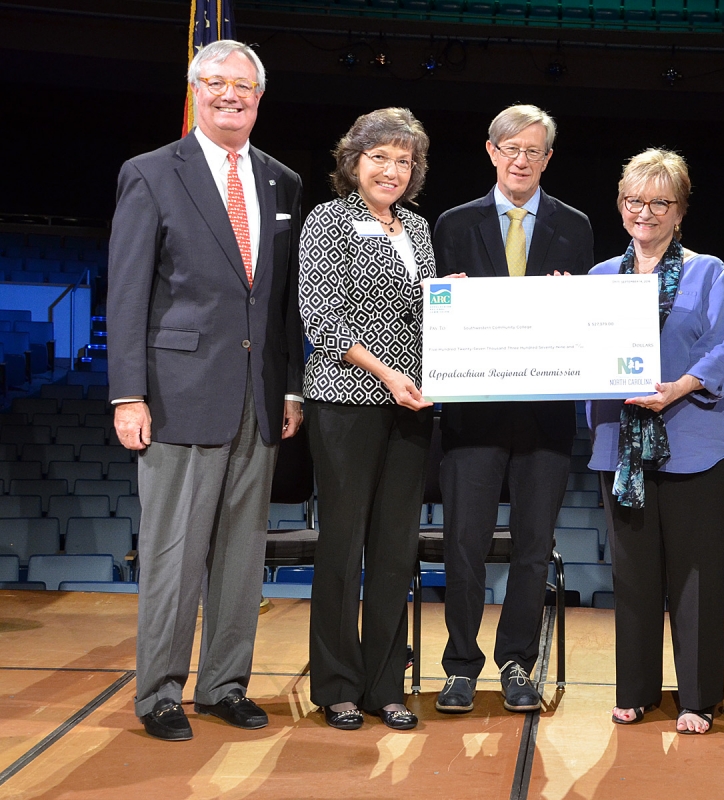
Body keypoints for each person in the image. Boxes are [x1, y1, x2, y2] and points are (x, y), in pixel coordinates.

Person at [107, 40, 304, 741]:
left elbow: (282, 303)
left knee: (242, 556)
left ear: (259, 96)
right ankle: (160, 693)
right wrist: (128, 394)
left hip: (258, 397)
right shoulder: (151, 172)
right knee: (173, 555)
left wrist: (291, 389)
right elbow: (127, 291)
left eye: (243, 85)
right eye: (216, 82)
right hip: (178, 395)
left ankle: (224, 685)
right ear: (196, 91)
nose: (230, 95)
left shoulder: (282, 181)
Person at [431, 104, 594, 714]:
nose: (521, 160)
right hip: (472, 414)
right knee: (463, 544)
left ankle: (517, 662)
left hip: (545, 417)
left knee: (532, 546)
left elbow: (583, 324)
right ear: (491, 152)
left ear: (548, 158)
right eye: (510, 148)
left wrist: (572, 302)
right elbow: (432, 313)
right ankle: (460, 666)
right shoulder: (453, 224)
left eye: (533, 151)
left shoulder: (575, 226)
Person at [587, 149, 724, 735]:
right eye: (634, 200)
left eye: (659, 202)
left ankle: (698, 697)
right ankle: (636, 691)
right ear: (620, 204)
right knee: (632, 575)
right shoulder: (599, 278)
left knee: (695, 576)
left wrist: (680, 387)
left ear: (679, 211)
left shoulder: (709, 272)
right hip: (619, 445)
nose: (644, 212)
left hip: (693, 439)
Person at [299, 108, 441, 731]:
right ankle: (336, 685)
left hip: (411, 407)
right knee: (342, 544)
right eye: (379, 157)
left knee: (394, 549)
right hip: (345, 401)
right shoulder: (326, 221)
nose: (392, 170)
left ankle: (386, 684)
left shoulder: (418, 227)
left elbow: (424, 312)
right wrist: (386, 373)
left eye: (403, 161)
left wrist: (451, 300)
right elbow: (322, 319)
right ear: (354, 162)